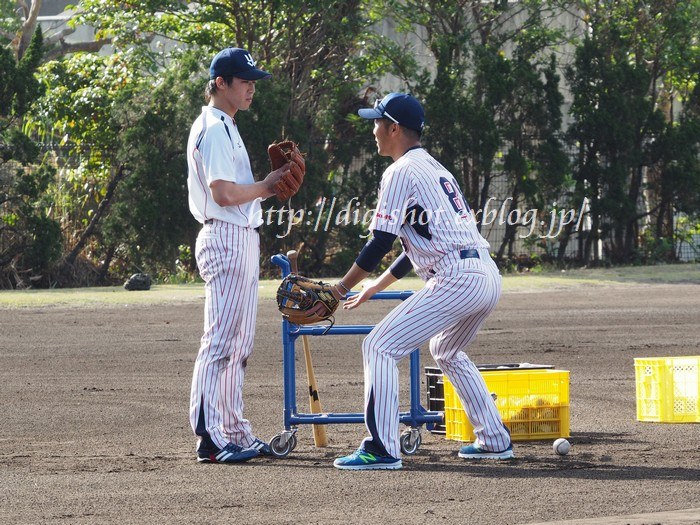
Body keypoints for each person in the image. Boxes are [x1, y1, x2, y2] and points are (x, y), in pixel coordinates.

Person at [324, 93, 513, 470]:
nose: (374, 130)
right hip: (485, 276)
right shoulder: (433, 168)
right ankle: (494, 439)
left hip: (458, 278)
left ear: (394, 128)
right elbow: (417, 245)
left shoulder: (399, 172)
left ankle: (381, 448)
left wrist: (340, 287)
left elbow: (379, 240)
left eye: (377, 122)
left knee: (379, 345)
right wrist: (376, 286)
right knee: (446, 349)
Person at [186, 47, 291, 463]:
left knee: (239, 341)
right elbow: (223, 193)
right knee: (220, 340)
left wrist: (268, 187)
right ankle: (210, 437)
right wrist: (266, 186)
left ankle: (234, 431)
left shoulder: (227, 124)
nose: (251, 88)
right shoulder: (212, 126)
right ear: (220, 83)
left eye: (252, 81)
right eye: (244, 81)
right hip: (225, 234)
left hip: (242, 236)